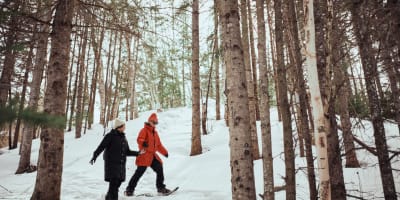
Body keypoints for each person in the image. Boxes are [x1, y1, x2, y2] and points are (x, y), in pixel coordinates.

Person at [90, 118, 141, 200]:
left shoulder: (123, 138)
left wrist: (138, 153)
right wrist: (95, 155)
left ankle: (108, 197)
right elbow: (101, 146)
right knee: (114, 185)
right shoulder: (110, 136)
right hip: (111, 165)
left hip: (120, 165)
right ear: (119, 127)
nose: (125, 127)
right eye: (124, 126)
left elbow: (127, 151)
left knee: (117, 184)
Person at [125, 113, 171, 196]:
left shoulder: (155, 133)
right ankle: (129, 190)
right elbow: (139, 139)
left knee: (159, 168)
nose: (154, 124)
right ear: (149, 121)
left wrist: (165, 152)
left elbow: (159, 145)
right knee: (139, 173)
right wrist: (143, 143)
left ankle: (160, 188)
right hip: (144, 155)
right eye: (153, 122)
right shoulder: (144, 130)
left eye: (156, 123)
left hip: (152, 156)